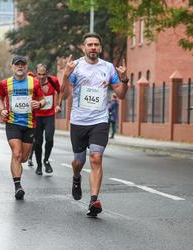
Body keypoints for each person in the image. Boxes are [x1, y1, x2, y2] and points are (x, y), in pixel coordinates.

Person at [61, 32, 128, 217]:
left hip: (99, 120)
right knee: (79, 161)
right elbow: (65, 94)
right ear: (83, 47)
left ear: (100, 47)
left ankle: (93, 200)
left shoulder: (108, 68)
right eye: (89, 44)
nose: (93, 47)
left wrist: (125, 79)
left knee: (96, 158)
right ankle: (76, 177)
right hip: (78, 121)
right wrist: (66, 76)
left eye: (96, 44)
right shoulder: (75, 66)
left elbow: (121, 95)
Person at [0, 55, 45, 200]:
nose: (20, 67)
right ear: (12, 67)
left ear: (26, 67)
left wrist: (40, 104)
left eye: (22, 64)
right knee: (16, 153)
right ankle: (18, 186)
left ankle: (17, 167)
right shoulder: (5, 83)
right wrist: (2, 109)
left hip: (30, 124)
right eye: (17, 65)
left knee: (23, 158)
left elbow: (42, 99)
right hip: (13, 123)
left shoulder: (34, 83)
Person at [32, 63, 61, 175]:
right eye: (39, 74)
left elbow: (60, 91)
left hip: (49, 115)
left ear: (47, 73)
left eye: (43, 74)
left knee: (49, 139)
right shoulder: (33, 82)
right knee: (38, 142)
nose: (41, 76)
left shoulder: (53, 80)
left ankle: (46, 160)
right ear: (36, 73)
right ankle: (39, 165)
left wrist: (58, 105)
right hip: (37, 116)